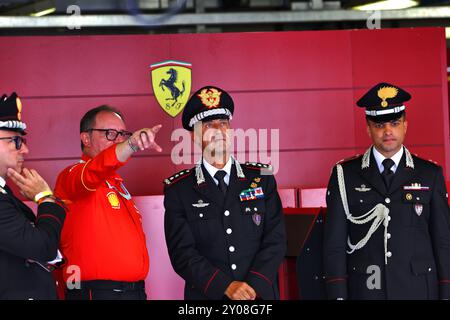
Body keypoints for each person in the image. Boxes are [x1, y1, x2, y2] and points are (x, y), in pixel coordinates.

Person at [323, 82, 450, 300]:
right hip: (366, 291)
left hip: (418, 290)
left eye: (394, 123)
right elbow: (334, 245)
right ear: (368, 128)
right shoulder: (344, 174)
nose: (388, 131)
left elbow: (443, 241)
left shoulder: (430, 174)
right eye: (379, 125)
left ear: (405, 125)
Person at [163, 86, 286, 300]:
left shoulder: (263, 177)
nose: (218, 131)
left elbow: (276, 239)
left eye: (224, 124)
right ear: (194, 136)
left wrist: (252, 285)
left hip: (258, 296)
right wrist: (226, 287)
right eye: (209, 125)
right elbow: (182, 254)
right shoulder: (179, 190)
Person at [54, 105, 162, 300]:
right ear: (86, 138)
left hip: (133, 291)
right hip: (96, 292)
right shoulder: (72, 175)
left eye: (122, 134)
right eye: (110, 133)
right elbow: (94, 171)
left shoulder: (117, 185)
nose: (119, 140)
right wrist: (131, 144)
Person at [0, 92, 66, 299]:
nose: (25, 150)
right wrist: (45, 198)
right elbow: (44, 247)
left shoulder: (5, 194)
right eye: (16, 141)